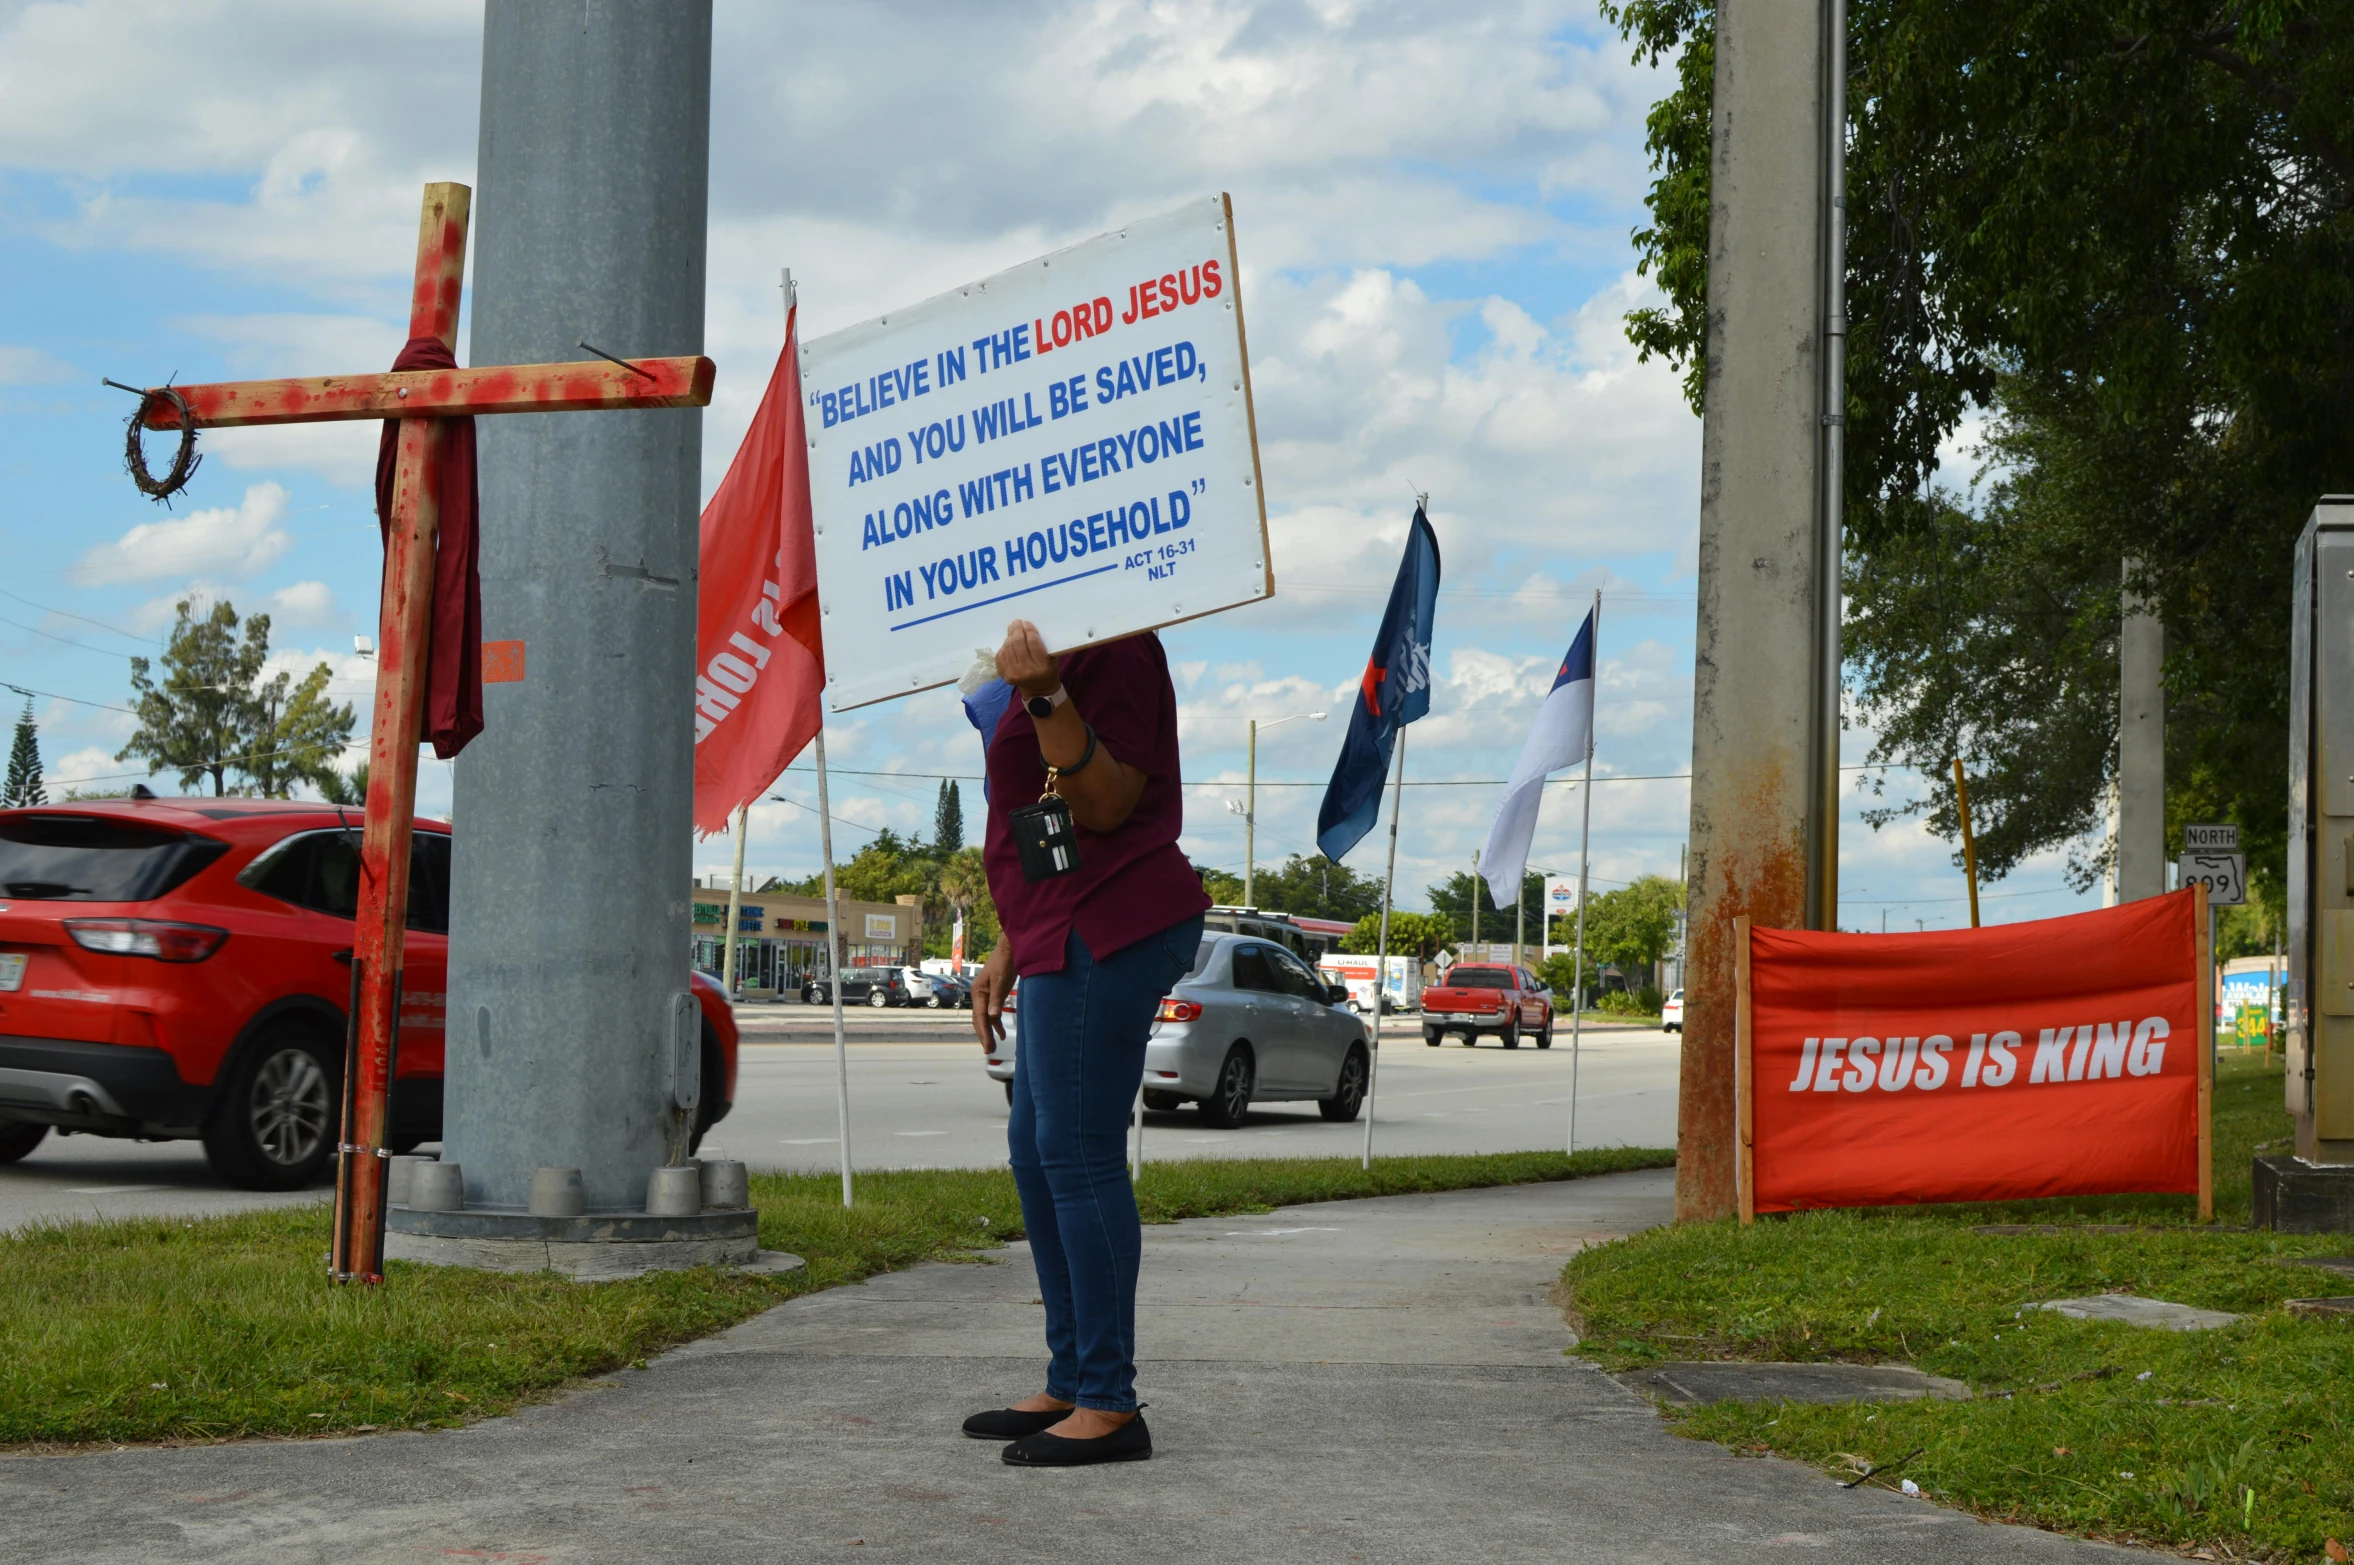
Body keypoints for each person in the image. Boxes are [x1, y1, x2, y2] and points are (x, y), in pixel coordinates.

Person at [966, 617, 1208, 1467]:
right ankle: (1072, 1375)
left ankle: (1109, 1399)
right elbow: (1040, 821)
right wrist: (1008, 942)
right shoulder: (1055, 647)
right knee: (1035, 1149)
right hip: (1058, 922)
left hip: (1112, 917)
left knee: (1078, 1150)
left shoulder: (1116, 642)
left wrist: (1044, 693)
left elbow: (1106, 801)